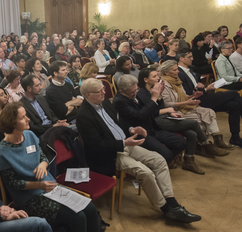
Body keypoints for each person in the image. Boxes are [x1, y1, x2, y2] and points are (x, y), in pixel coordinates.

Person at [0, 102, 111, 232]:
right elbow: (14, 184)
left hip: (49, 186)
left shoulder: (29, 135)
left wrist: (43, 164)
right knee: (78, 217)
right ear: (12, 123)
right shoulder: (3, 152)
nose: (28, 119)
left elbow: (42, 156)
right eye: (23, 117)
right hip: (30, 198)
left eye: (26, 115)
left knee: (89, 208)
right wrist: (39, 185)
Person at [76, 78, 201, 223]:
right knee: (145, 172)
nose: (104, 93)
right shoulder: (83, 115)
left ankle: (171, 202)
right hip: (110, 155)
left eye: (103, 89)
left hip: (125, 144)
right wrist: (124, 142)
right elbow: (96, 145)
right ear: (87, 95)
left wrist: (131, 129)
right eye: (99, 91)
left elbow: (117, 122)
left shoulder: (104, 102)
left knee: (159, 160)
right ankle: (167, 209)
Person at [177, 50, 242, 150]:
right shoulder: (179, 73)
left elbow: (196, 87)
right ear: (181, 59)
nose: (192, 58)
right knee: (234, 94)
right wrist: (204, 89)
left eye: (192, 56)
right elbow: (186, 93)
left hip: (203, 96)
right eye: (189, 57)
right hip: (196, 101)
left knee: (234, 106)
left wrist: (204, 88)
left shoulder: (190, 69)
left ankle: (235, 138)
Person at [136, 68, 213, 172]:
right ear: (145, 79)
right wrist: (166, 109)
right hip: (157, 122)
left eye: (157, 75)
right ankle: (205, 144)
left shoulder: (154, 90)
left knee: (192, 133)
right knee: (193, 123)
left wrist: (170, 111)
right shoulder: (141, 94)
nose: (158, 78)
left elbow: (160, 106)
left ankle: (189, 161)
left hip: (165, 117)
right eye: (154, 76)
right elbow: (150, 113)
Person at [113, 74, 187, 166]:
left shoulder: (136, 93)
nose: (136, 92)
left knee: (181, 142)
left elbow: (151, 110)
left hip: (152, 128)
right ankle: (160, 163)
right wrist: (154, 98)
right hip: (139, 133)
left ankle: (163, 162)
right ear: (122, 91)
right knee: (166, 154)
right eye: (132, 92)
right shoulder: (119, 101)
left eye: (137, 89)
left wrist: (158, 96)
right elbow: (140, 116)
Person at [159, 60, 231, 156]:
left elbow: (183, 96)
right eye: (175, 70)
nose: (178, 71)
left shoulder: (177, 81)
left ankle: (216, 139)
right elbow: (167, 104)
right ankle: (203, 145)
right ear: (166, 72)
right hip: (175, 111)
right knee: (200, 120)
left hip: (184, 106)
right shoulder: (163, 84)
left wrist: (192, 96)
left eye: (177, 69)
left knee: (209, 112)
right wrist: (187, 102)